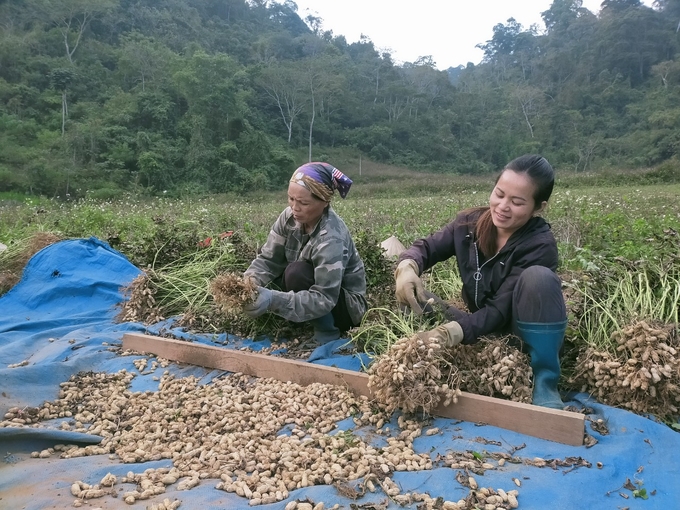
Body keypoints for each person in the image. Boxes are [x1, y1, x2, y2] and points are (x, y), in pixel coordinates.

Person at [394, 154, 567, 409]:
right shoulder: (468, 224)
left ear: (538, 207)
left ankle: (545, 378)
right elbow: (428, 247)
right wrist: (408, 267)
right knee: (413, 296)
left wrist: (448, 333)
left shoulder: (539, 245)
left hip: (516, 332)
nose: (502, 206)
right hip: (478, 326)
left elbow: (498, 311)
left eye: (517, 202)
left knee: (539, 278)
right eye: (499, 194)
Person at [242, 162, 368, 343]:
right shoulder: (288, 218)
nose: (295, 207)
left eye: (303, 203)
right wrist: (247, 285)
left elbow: (325, 297)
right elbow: (269, 260)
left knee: (296, 272)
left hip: (342, 306)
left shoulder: (331, 237)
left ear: (324, 202)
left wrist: (273, 300)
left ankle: (327, 330)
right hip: (310, 292)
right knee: (283, 274)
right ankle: (301, 319)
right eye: (291, 199)